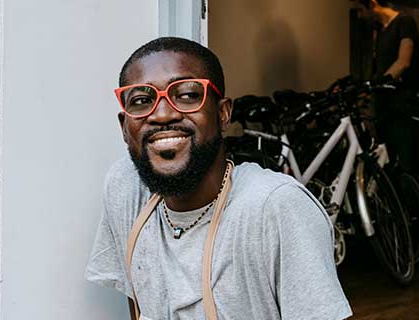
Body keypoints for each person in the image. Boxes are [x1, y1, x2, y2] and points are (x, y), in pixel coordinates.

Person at [85, 37, 352, 320]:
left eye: (187, 95)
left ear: (223, 113)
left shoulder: (274, 208)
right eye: (141, 101)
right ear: (125, 126)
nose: (162, 114)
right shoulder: (126, 187)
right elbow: (140, 299)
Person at [358, 0, 419, 174]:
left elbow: (403, 61)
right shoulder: (381, 31)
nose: (360, 16)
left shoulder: (405, 22)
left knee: (406, 167)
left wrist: (380, 81)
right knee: (386, 167)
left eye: (361, 10)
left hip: (402, 107)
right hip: (384, 108)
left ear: (372, 4)